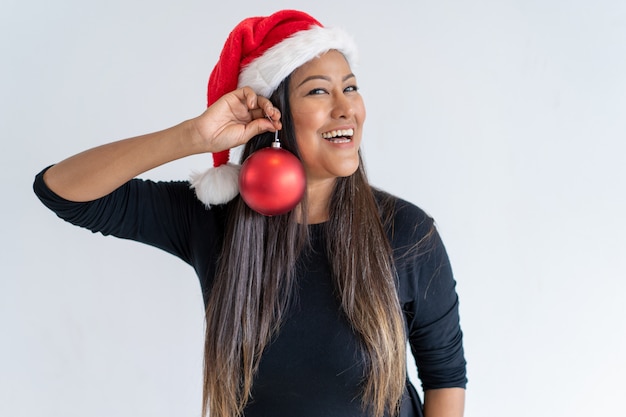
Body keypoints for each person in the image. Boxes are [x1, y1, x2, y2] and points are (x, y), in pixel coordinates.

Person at [33, 9, 467, 417]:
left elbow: (444, 375)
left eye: (350, 87)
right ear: (272, 113)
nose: (346, 108)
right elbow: (63, 192)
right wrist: (195, 135)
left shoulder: (407, 231)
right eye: (319, 90)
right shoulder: (213, 219)